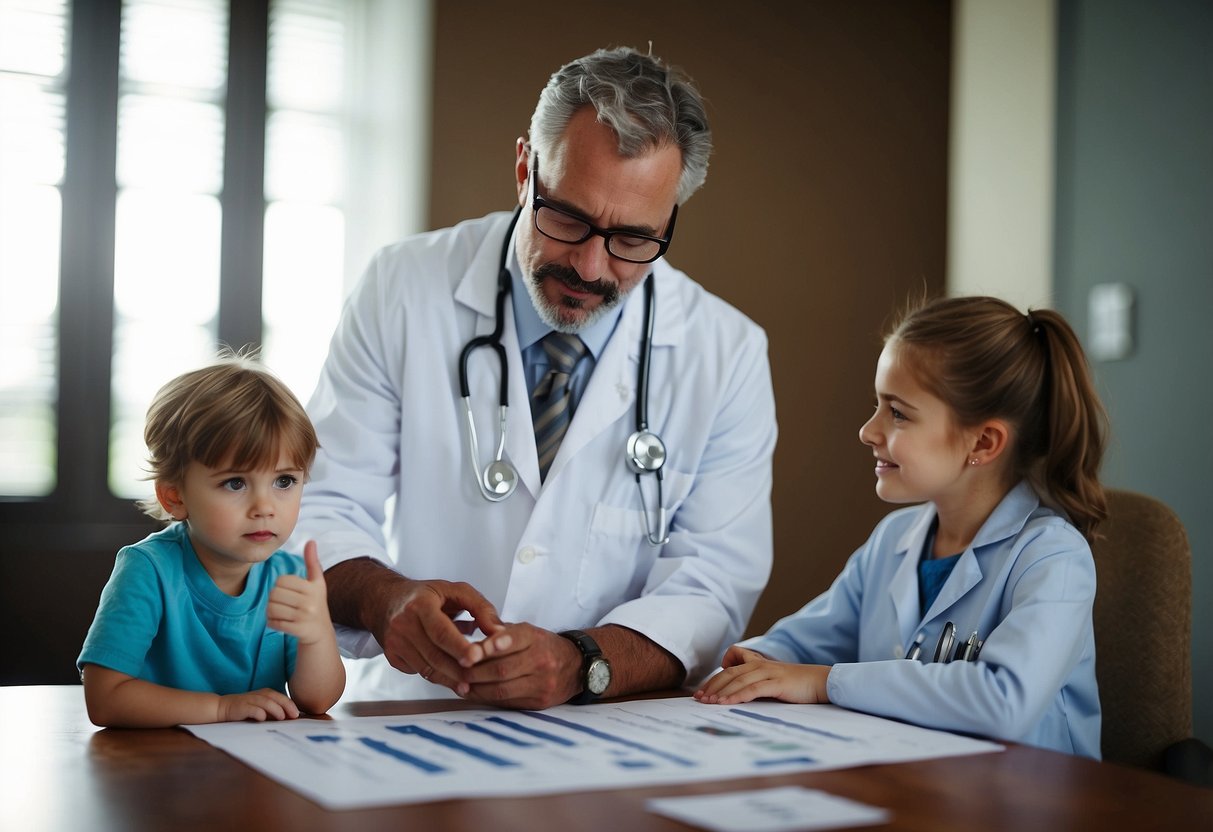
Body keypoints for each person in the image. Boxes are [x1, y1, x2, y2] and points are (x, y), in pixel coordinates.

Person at [293, 46, 777, 709]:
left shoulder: (727, 352)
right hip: (413, 711)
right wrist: (385, 599)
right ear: (525, 168)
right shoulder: (402, 287)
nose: (590, 266)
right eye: (568, 219)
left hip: (612, 728)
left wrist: (584, 663)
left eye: (634, 239)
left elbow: (714, 580)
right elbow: (321, 501)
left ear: (669, 220)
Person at [695, 296, 1107, 758]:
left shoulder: (1053, 557)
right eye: (877, 405)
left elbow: (1003, 700)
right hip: (916, 781)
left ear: (984, 442)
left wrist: (824, 682)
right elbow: (804, 640)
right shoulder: (893, 540)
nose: (867, 431)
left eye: (897, 413)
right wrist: (752, 661)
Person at [78, 355, 345, 727]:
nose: (264, 507)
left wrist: (317, 635)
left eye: (284, 481)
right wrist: (222, 709)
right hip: (156, 765)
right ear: (175, 497)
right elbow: (105, 699)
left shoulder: (290, 575)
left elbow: (317, 700)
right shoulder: (147, 570)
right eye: (235, 483)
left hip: (259, 769)